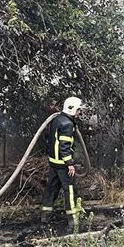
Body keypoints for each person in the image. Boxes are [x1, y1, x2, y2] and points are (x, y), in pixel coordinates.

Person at [40, 96, 83, 227]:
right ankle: (73, 219)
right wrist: (70, 164)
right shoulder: (67, 124)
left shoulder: (57, 120)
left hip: (54, 162)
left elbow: (48, 138)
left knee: (51, 188)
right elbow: (64, 146)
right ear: (72, 109)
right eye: (78, 110)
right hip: (63, 165)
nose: (80, 112)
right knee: (70, 190)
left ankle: (45, 216)